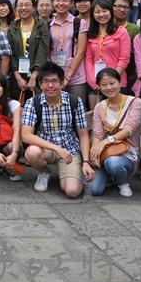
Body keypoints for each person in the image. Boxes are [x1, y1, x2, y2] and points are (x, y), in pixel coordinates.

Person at [21, 63, 94, 198]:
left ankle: (68, 172)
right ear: (40, 84)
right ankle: (44, 172)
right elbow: (25, 135)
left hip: (69, 149)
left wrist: (86, 162)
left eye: (54, 81)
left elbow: (83, 135)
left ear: (62, 83)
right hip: (45, 148)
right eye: (46, 81)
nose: (50, 86)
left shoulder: (74, 101)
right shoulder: (33, 102)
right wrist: (56, 148)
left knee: (73, 192)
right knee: (32, 152)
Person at [89, 68, 141, 197]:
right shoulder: (99, 107)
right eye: (104, 84)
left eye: (112, 83)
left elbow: (129, 129)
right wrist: (94, 151)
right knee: (95, 190)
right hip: (105, 152)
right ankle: (109, 174)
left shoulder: (135, 102)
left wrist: (107, 141)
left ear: (120, 82)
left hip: (127, 152)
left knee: (113, 163)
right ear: (99, 87)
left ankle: (122, 182)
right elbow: (97, 134)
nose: (109, 87)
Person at [84, 0, 130, 109]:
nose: (101, 14)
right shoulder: (91, 34)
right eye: (97, 12)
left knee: (117, 118)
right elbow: (89, 59)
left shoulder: (121, 31)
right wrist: (94, 82)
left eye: (104, 11)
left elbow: (124, 58)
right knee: (97, 117)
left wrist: (111, 80)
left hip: (117, 82)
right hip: (96, 85)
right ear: (92, 14)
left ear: (110, 11)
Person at [7, 0, 50, 100]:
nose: (23, 8)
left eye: (27, 5)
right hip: (17, 76)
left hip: (38, 75)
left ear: (34, 7)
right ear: (16, 8)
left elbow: (43, 52)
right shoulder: (12, 27)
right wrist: (18, 77)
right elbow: (10, 53)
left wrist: (34, 76)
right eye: (20, 5)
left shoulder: (42, 27)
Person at [49, 0, 88, 105]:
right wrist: (54, 76)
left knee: (78, 110)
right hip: (55, 77)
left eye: (65, 0)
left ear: (71, 3)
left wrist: (67, 77)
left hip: (76, 77)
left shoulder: (79, 23)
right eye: (58, 0)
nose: (61, 3)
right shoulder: (48, 24)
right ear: (53, 2)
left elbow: (81, 52)